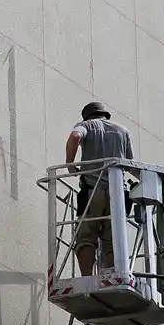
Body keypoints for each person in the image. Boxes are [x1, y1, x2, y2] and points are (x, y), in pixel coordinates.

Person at [65, 102, 134, 276]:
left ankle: (88, 277)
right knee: (113, 240)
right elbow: (130, 164)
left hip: (92, 191)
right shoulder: (122, 131)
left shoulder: (86, 125)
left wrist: (70, 164)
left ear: (87, 116)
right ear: (104, 115)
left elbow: (75, 137)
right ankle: (110, 276)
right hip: (117, 193)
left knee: (86, 238)